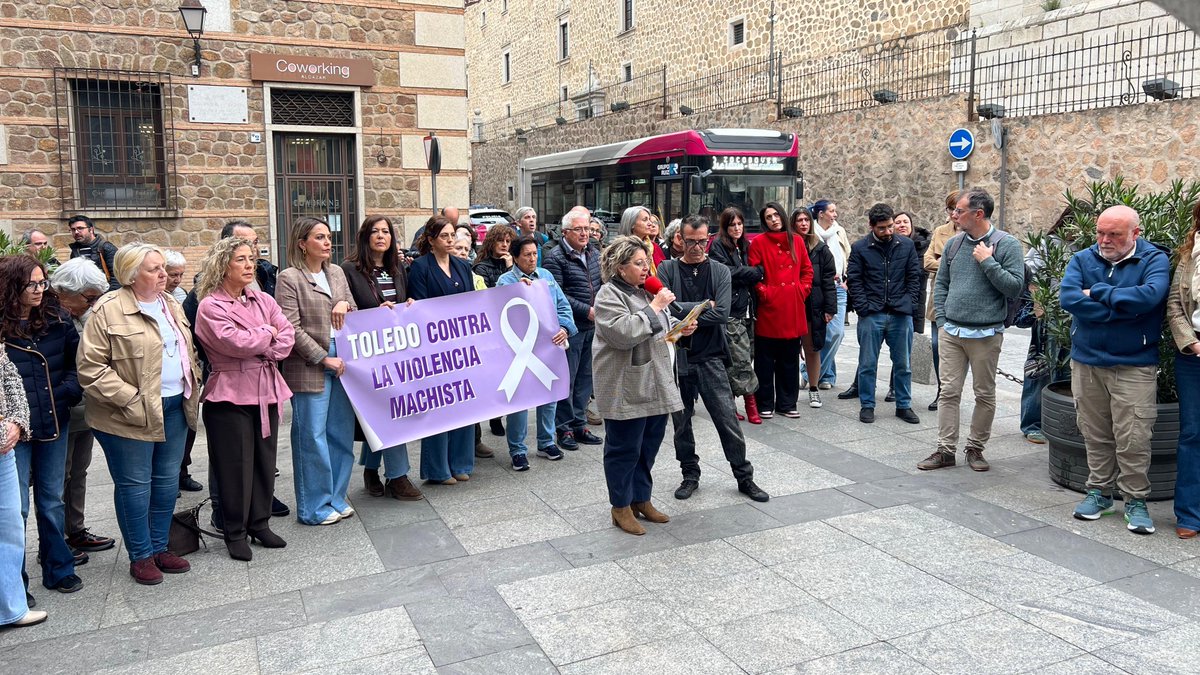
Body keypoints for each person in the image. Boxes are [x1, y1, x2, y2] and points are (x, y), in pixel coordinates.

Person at [78, 243, 202, 585]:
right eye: (154, 269)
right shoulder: (108, 309)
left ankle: (161, 546)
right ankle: (141, 555)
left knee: (165, 484)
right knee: (135, 486)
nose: (163, 274)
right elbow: (91, 369)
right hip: (126, 414)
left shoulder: (171, 303)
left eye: (163, 267)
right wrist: (132, 400)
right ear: (132, 274)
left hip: (175, 406)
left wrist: (193, 382)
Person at [1062, 205, 1168, 534]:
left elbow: (1149, 298)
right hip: (1087, 361)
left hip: (1134, 363)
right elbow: (1069, 298)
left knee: (1134, 436)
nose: (1105, 240)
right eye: (1100, 233)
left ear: (1136, 233)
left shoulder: (1154, 260)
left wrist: (1100, 293)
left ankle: (1135, 499)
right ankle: (1100, 492)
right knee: (1095, 432)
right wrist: (1121, 308)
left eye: (1114, 235)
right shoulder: (1082, 259)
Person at [194, 237, 295, 559]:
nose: (250, 264)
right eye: (241, 259)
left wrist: (265, 340)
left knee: (265, 463)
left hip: (266, 389)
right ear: (223, 265)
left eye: (251, 258)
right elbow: (232, 343)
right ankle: (234, 530)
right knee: (235, 466)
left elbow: (287, 335)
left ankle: (259, 522)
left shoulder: (262, 298)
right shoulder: (211, 305)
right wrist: (267, 335)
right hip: (229, 396)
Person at [660, 216, 769, 503]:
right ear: (680, 239)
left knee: (726, 419)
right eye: (690, 240)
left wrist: (685, 314)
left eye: (701, 240)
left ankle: (744, 476)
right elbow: (664, 308)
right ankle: (689, 473)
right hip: (678, 357)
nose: (696, 246)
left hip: (711, 356)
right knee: (681, 422)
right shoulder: (667, 268)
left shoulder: (720, 270)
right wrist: (701, 307)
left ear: (708, 238)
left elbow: (722, 313)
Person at [920, 188, 1025, 472]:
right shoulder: (953, 244)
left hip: (986, 334)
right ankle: (945, 449)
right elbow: (941, 284)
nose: (954, 215)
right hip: (952, 332)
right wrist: (942, 320)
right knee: (949, 392)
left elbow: (1015, 287)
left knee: (984, 394)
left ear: (978, 214)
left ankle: (975, 448)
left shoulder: (1008, 245)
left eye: (960, 211)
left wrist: (987, 261)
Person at [593, 236, 691, 535]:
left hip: (654, 382)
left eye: (646, 262)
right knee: (624, 448)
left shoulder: (643, 292)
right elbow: (623, 333)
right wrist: (656, 307)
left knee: (648, 446)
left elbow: (656, 332)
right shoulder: (608, 296)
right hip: (625, 385)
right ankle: (620, 506)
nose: (646, 268)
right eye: (638, 263)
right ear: (621, 268)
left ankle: (641, 498)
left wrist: (680, 328)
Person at [0, 256, 82, 596]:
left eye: (42, 282)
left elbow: (78, 367)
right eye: (31, 284)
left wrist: (62, 395)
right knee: (14, 507)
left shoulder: (57, 318)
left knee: (51, 499)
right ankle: (14, 582)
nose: (38, 290)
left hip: (53, 421)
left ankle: (58, 566)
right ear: (10, 287)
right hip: (12, 431)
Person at [276, 217, 358, 526]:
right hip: (312, 366)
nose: (328, 242)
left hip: (345, 363)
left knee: (340, 434)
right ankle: (314, 507)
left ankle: (336, 497)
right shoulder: (289, 278)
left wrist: (343, 305)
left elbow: (353, 308)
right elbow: (290, 328)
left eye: (328, 236)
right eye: (320, 237)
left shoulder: (335, 272)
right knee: (312, 436)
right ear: (302, 243)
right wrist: (324, 358)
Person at [340, 216, 423, 501]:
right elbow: (346, 311)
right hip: (368, 356)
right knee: (392, 411)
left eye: (386, 231)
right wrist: (375, 313)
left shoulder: (397, 268)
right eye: (374, 231)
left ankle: (371, 468)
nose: (380, 236)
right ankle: (398, 477)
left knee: (386, 411)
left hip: (397, 353)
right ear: (365, 237)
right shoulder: (349, 270)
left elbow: (405, 298)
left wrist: (409, 304)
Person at [48, 259, 116, 556]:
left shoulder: (87, 314)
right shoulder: (49, 317)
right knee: (57, 479)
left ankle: (76, 529)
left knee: (79, 472)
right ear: (63, 291)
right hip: (59, 408)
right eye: (87, 298)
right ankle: (56, 541)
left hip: (85, 409)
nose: (92, 304)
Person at [407, 216, 478, 484]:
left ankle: (461, 463)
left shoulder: (462, 265)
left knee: (464, 404)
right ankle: (438, 469)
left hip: (462, 346)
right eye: (445, 236)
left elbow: (473, 301)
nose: (450, 240)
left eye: (452, 235)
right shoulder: (421, 267)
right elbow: (420, 306)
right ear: (431, 239)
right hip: (435, 348)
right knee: (440, 406)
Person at [498, 235, 576, 470]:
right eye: (527, 255)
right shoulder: (505, 281)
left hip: (548, 345)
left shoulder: (547, 277)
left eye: (535, 254)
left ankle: (546, 441)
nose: (532, 259)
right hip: (520, 349)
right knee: (520, 401)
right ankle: (517, 449)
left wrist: (564, 328)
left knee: (549, 395)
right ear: (515, 257)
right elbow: (500, 312)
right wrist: (519, 291)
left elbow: (562, 305)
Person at [846, 203, 922, 425]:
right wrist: (864, 308)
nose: (888, 231)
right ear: (871, 226)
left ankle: (903, 405)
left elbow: (914, 278)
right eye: (882, 228)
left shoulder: (906, 245)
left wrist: (909, 304)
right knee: (868, 363)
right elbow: (855, 280)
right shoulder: (860, 248)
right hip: (872, 314)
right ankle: (867, 405)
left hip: (901, 313)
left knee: (904, 364)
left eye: (890, 226)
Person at [544, 210, 604, 450]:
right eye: (579, 229)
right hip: (572, 328)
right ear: (565, 232)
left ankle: (580, 424)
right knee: (566, 380)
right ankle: (564, 428)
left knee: (585, 379)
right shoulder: (555, 257)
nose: (584, 233)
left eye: (587, 229)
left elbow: (601, 285)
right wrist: (586, 310)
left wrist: (600, 308)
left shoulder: (595, 254)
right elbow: (557, 294)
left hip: (594, 326)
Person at [748, 201, 813, 419]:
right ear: (764, 221)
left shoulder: (796, 241)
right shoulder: (758, 242)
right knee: (765, 360)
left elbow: (807, 270)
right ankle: (764, 402)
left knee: (789, 358)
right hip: (769, 307)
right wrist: (765, 292)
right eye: (768, 217)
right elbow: (754, 272)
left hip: (792, 305)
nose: (774, 219)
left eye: (776, 215)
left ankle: (787, 402)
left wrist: (801, 290)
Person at [1020, 206, 1075, 444]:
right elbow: (1029, 273)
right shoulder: (1048, 244)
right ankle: (1032, 423)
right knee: (1040, 370)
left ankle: (1058, 424)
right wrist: (1039, 307)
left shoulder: (1087, 248)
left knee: (1067, 372)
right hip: (1049, 318)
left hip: (1074, 319)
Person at [0, 348, 43, 627]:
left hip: (4, 447)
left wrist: (16, 421)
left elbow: (11, 379)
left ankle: (11, 608)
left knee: (11, 525)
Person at [709, 207, 763, 423]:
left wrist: (750, 274)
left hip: (748, 309)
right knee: (740, 360)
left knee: (742, 357)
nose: (737, 228)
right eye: (732, 225)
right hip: (731, 311)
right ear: (725, 226)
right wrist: (754, 273)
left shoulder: (746, 246)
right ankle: (751, 406)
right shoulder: (718, 246)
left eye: (740, 224)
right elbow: (725, 273)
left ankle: (730, 405)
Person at [1168, 201, 1200, 539]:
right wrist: (1190, 342)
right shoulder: (1189, 255)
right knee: (1192, 434)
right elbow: (1175, 304)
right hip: (1193, 353)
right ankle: (1189, 514)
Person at [792, 208, 836, 409]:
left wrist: (830, 308)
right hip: (791, 305)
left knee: (812, 348)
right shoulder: (787, 246)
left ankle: (813, 389)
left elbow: (828, 281)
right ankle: (788, 390)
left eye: (806, 220)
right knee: (789, 351)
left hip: (814, 306)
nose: (803, 224)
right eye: (799, 220)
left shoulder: (820, 249)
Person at [921, 191, 961, 411]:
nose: (954, 214)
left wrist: (943, 260)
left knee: (962, 349)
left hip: (964, 300)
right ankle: (942, 391)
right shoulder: (940, 232)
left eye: (958, 209)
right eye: (951, 209)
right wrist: (953, 264)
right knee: (938, 345)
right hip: (941, 298)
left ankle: (955, 389)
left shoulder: (974, 233)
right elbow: (927, 261)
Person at [812, 201, 850, 390]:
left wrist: (847, 278)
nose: (835, 214)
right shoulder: (811, 232)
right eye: (832, 211)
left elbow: (847, 256)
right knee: (824, 333)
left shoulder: (839, 231)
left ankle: (808, 372)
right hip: (818, 287)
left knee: (836, 333)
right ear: (821, 214)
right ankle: (827, 375)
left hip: (838, 287)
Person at [66, 215, 119, 291]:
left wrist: (106, 297)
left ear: (91, 229)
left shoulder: (106, 248)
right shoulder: (75, 251)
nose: (76, 232)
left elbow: (117, 278)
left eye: (80, 228)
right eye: (73, 229)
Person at [618, 206, 666, 275]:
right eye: (645, 220)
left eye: (649, 220)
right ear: (632, 224)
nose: (650, 224)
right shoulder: (620, 249)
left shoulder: (655, 247)